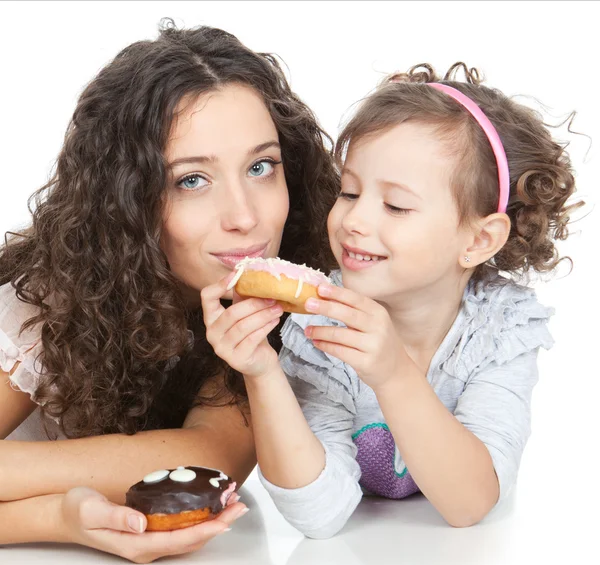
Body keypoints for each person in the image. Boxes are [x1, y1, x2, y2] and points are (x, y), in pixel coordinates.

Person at [0, 19, 338, 560]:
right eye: (191, 180)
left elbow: (212, 455)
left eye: (261, 166)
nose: (245, 217)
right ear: (126, 200)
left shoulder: (283, 308)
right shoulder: (47, 305)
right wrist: (54, 518)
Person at [202, 63, 582, 538]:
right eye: (350, 191)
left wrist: (393, 373)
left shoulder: (500, 332)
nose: (354, 220)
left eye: (396, 205)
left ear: (480, 240)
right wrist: (262, 373)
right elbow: (318, 516)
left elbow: (470, 504)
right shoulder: (317, 331)